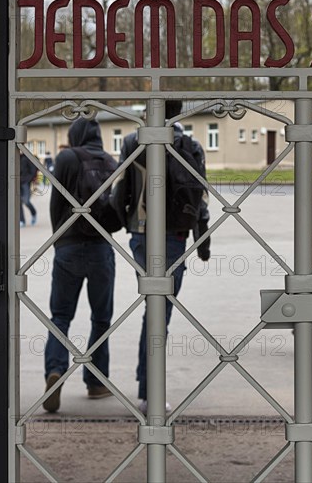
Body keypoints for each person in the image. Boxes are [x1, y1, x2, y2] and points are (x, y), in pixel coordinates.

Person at [118, 100, 210, 414]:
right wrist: (203, 237)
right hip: (175, 236)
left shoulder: (133, 141)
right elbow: (201, 195)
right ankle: (150, 390)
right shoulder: (192, 145)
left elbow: (122, 191)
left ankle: (148, 390)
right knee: (162, 314)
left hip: (142, 234)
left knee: (152, 310)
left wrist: (121, 221)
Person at [43, 118, 116, 412]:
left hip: (69, 246)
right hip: (101, 248)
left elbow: (55, 203)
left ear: (75, 135)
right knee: (101, 319)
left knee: (60, 315)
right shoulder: (111, 161)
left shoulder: (66, 157)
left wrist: (60, 237)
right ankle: (96, 383)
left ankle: (56, 370)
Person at [20, 152, 38, 226]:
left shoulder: (27, 158)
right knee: (18, 203)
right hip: (16, 182)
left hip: (25, 183)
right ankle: (21, 221)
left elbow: (34, 169)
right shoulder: (13, 156)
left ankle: (34, 213)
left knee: (26, 201)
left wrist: (28, 179)